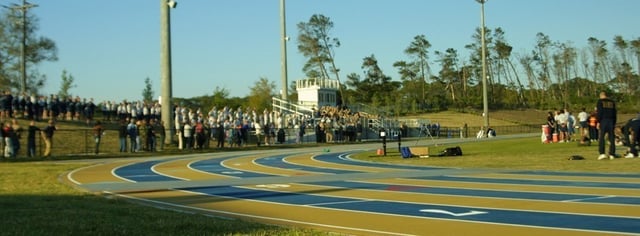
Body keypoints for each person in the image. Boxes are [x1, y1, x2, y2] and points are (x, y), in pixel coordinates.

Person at [596, 91, 617, 160]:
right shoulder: (612, 102)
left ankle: (602, 153)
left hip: (603, 120)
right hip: (611, 120)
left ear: (601, 95)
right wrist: (614, 122)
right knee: (611, 138)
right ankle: (612, 154)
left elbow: (599, 112)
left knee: (602, 137)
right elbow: (614, 113)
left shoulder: (600, 102)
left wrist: (598, 121)